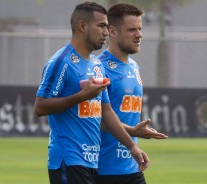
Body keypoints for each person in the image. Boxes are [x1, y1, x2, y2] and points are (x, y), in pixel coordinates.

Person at [34, 2, 149, 184]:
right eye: (101, 25)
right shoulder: (61, 61)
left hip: (92, 161)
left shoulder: (96, 65)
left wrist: (132, 146)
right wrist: (81, 96)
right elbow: (40, 107)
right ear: (82, 26)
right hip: (68, 159)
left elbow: (107, 111)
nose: (105, 32)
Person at [97, 4, 168, 184]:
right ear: (112, 32)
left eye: (140, 29)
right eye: (132, 30)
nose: (139, 35)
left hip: (130, 165)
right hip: (103, 169)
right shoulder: (99, 68)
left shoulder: (133, 67)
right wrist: (133, 132)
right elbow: (95, 118)